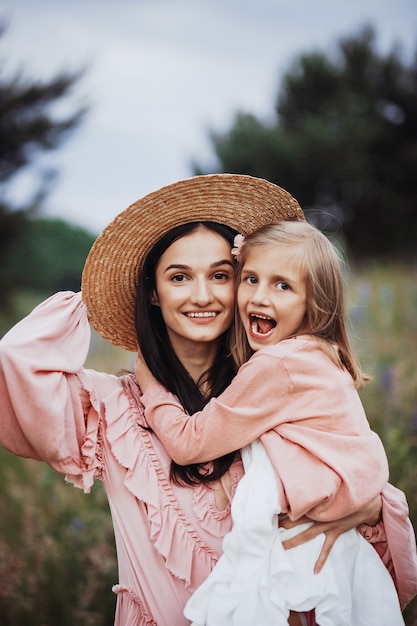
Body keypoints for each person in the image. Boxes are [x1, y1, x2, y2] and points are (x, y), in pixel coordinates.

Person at [0, 175, 415, 626]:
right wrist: (91, 296)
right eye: (179, 277)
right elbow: (16, 360)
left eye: (221, 275)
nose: (203, 295)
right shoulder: (111, 407)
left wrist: (369, 507)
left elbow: (360, 479)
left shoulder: (276, 391)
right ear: (153, 293)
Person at [135, 219, 417, 624]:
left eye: (283, 285)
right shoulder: (319, 355)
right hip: (339, 554)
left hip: (310, 558)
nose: (259, 297)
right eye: (249, 279)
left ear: (314, 302)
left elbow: (190, 442)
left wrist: (150, 385)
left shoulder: (278, 364)